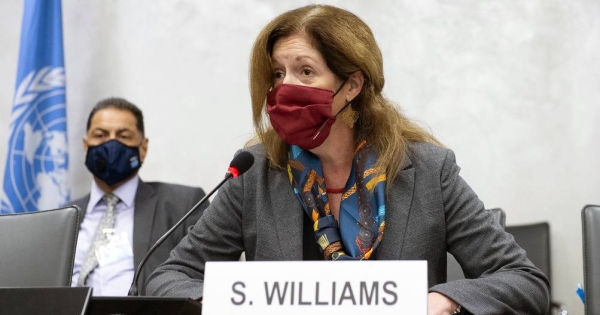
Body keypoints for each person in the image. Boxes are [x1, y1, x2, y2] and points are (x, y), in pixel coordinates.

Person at [146, 5, 550, 314]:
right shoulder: (256, 173)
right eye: (277, 74)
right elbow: (168, 278)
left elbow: (524, 281)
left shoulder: (429, 171)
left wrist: (446, 298)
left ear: (352, 84)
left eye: (305, 72)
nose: (286, 88)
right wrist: (229, 303)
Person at [71, 97, 207, 296]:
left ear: (143, 148)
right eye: (100, 135)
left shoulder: (184, 205)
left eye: (123, 136)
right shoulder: (63, 217)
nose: (111, 144)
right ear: (85, 146)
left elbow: (209, 279)